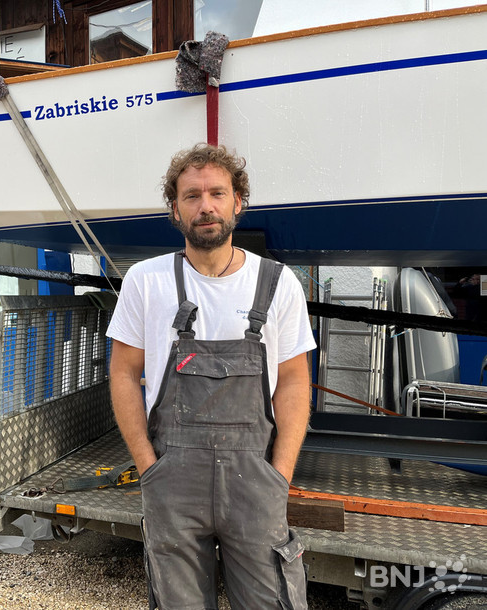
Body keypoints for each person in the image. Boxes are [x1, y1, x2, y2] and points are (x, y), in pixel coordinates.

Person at [106, 143, 316, 609]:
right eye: (192, 195)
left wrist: (280, 475)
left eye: (217, 193)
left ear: (237, 202)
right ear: (174, 209)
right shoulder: (145, 281)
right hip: (172, 483)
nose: (206, 206)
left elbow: (294, 381)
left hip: (256, 481)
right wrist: (148, 467)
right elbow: (123, 373)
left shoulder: (278, 283)